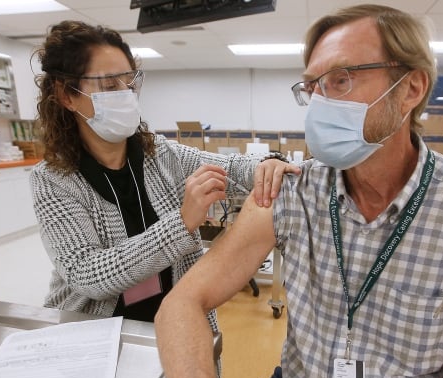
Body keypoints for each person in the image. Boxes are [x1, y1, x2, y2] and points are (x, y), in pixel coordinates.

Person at [155, 4, 443, 378]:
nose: (320, 103)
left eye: (341, 80)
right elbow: (181, 305)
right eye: (312, 87)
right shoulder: (293, 192)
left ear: (411, 87)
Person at [29, 20, 299, 326]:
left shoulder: (159, 154)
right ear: (67, 95)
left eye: (129, 83)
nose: (126, 94)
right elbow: (88, 274)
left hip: (176, 321)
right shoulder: (53, 180)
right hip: (98, 333)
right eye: (109, 85)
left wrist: (268, 164)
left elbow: (234, 169)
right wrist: (182, 223)